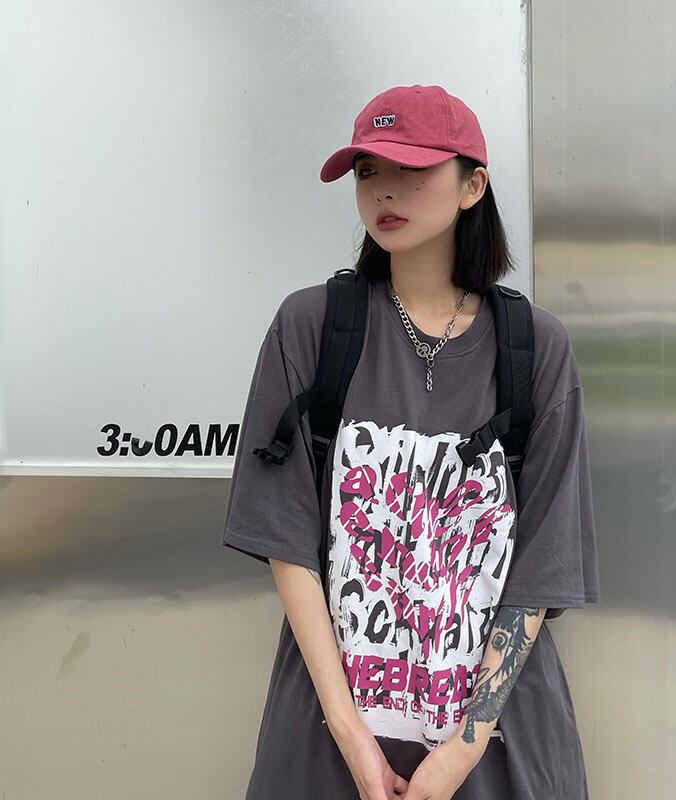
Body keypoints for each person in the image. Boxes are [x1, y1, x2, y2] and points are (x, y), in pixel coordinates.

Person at [222, 83, 601, 799]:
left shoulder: (536, 347)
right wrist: (353, 740)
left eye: (412, 169)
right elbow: (286, 539)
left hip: (497, 745)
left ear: (472, 186)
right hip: (329, 738)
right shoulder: (311, 327)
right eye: (368, 170)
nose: (384, 190)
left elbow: (544, 563)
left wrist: (459, 753)